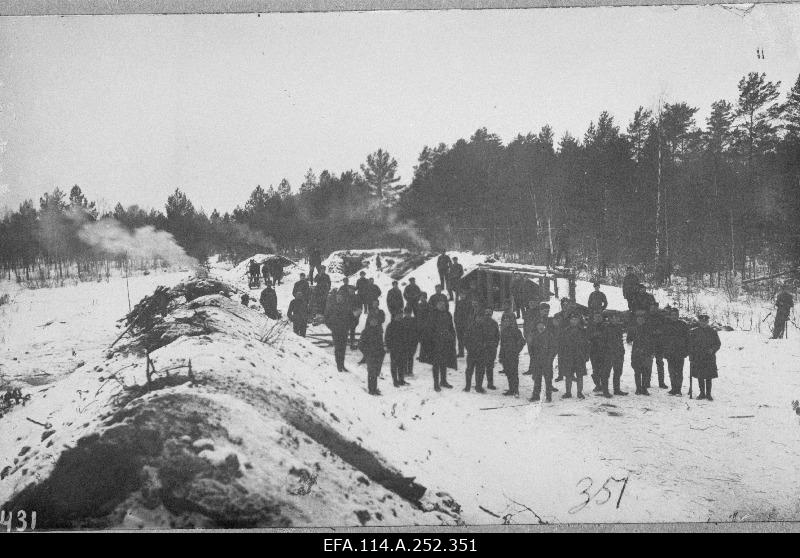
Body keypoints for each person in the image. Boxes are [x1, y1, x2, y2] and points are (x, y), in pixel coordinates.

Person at [421, 298, 457, 392]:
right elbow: (429, 329)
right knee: (436, 364)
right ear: (436, 305)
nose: (442, 306)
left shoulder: (448, 314)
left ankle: (443, 381)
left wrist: (452, 336)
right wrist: (433, 338)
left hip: (446, 342)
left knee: (444, 362)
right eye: (440, 304)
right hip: (435, 343)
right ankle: (436, 383)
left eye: (443, 304)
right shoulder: (433, 314)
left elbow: (451, 327)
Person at [689, 315, 721, 401]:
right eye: (701, 321)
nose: (703, 323)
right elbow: (690, 345)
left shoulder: (712, 332)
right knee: (700, 376)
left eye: (705, 321)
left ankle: (708, 394)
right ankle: (702, 393)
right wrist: (691, 355)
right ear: (699, 322)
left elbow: (718, 344)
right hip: (698, 356)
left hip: (709, 357)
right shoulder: (694, 332)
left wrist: (712, 350)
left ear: (707, 322)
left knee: (709, 376)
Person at [558, 313, 589, 399]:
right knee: (568, 376)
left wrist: (586, 356)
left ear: (578, 320)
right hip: (568, 357)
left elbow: (586, 344)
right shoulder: (565, 331)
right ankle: (568, 392)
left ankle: (579, 392)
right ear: (569, 320)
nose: (574, 321)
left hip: (579, 357)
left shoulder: (583, 331)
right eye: (572, 319)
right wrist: (562, 356)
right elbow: (562, 345)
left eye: (576, 319)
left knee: (580, 376)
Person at [661, 307, 689, 396]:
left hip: (680, 352)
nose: (674, 317)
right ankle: (673, 388)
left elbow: (687, 339)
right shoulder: (666, 325)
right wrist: (664, 351)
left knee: (679, 371)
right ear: (670, 316)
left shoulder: (683, 325)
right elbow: (663, 339)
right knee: (671, 371)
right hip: (670, 352)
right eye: (672, 315)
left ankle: (678, 390)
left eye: (676, 315)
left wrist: (686, 351)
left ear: (678, 315)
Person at [528, 320, 558, 402]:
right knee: (537, 379)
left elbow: (554, 348)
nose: (540, 327)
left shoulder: (549, 335)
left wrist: (550, 358)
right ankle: (536, 395)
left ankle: (548, 396)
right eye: (539, 325)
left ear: (544, 326)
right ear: (536, 326)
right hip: (537, 361)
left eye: (542, 325)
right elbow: (530, 347)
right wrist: (533, 357)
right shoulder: (534, 335)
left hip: (547, 361)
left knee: (548, 380)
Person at [325, 290, 353, 372]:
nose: (339, 299)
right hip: (336, 331)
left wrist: (348, 327)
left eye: (340, 297)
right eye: (338, 297)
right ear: (336, 298)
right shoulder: (332, 307)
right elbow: (326, 318)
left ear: (343, 298)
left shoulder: (346, 307)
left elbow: (352, 318)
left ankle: (342, 365)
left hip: (344, 330)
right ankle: (339, 366)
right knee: (337, 348)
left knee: (343, 348)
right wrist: (331, 327)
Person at [472, 307, 500, 392]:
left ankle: (490, 384)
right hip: (482, 349)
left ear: (492, 313)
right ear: (484, 313)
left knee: (490, 367)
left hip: (491, 349)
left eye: (489, 312)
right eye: (486, 312)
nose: (488, 314)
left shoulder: (494, 323)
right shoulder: (480, 323)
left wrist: (495, 345)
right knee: (480, 368)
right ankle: (478, 386)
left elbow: (497, 336)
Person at [358, 313, 386, 396]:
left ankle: (375, 388)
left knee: (376, 372)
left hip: (378, 354)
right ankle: (371, 389)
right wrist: (367, 353)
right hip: (370, 355)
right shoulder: (365, 331)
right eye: (373, 321)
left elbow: (380, 343)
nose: (374, 322)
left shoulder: (379, 331)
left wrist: (382, 352)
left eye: (376, 321)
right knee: (371, 372)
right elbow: (360, 345)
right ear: (369, 321)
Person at [601, 312, 627, 396]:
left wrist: (622, 351)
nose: (616, 319)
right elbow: (603, 342)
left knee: (618, 372)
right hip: (608, 353)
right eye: (614, 318)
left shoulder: (619, 328)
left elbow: (620, 341)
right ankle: (605, 391)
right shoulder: (606, 328)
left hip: (618, 353)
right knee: (606, 373)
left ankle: (617, 389)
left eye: (617, 318)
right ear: (610, 319)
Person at [499, 313, 526, 396]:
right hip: (505, 355)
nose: (506, 322)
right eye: (505, 321)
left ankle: (515, 390)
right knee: (508, 372)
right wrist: (501, 355)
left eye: (508, 320)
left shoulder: (516, 331)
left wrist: (516, 350)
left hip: (513, 355)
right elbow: (502, 344)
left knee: (514, 373)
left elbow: (522, 341)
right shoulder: (503, 331)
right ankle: (511, 389)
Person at [629, 310, 654, 395]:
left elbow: (652, 341)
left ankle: (644, 388)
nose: (640, 320)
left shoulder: (648, 328)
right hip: (636, 352)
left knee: (646, 371)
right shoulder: (633, 328)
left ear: (644, 320)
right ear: (636, 320)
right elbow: (629, 339)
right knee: (637, 371)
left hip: (646, 352)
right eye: (639, 319)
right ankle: (638, 388)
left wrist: (651, 352)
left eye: (642, 319)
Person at [385, 312, 409, 387]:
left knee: (402, 365)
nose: (400, 316)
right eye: (399, 315)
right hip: (394, 348)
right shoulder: (391, 325)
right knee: (394, 365)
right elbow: (387, 337)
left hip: (402, 348)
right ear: (395, 316)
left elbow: (406, 336)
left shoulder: (403, 324)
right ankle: (395, 381)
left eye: (401, 315)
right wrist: (388, 347)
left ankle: (401, 380)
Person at [646, 301, 668, 389]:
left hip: (659, 343)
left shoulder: (661, 317)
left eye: (655, 307)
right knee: (648, 363)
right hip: (650, 343)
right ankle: (647, 382)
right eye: (652, 307)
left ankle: (661, 382)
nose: (653, 309)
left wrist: (660, 331)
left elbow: (665, 328)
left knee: (660, 363)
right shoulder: (646, 317)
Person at [587, 311, 606, 393]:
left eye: (599, 316)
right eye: (596, 316)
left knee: (604, 369)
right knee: (595, 369)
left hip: (603, 350)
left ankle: (604, 385)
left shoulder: (605, 326)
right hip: (593, 350)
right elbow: (587, 337)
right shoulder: (590, 327)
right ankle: (597, 385)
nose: (598, 318)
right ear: (594, 318)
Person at [340, 277, 361, 349]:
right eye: (350, 290)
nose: (351, 291)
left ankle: (352, 344)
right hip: (346, 316)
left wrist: (357, 315)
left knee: (352, 331)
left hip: (353, 317)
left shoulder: (357, 298)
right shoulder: (346, 298)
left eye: (352, 290)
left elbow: (360, 308)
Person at [400, 306, 419, 377]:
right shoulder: (402, 321)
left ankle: (410, 371)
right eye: (407, 313)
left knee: (410, 357)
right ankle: (405, 371)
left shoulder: (414, 320)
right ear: (404, 313)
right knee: (404, 357)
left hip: (413, 341)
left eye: (409, 313)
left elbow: (417, 330)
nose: (408, 314)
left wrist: (416, 340)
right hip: (404, 341)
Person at [453, 291, 473, 358]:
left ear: (465, 295)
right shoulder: (458, 303)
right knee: (460, 339)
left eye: (463, 294)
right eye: (461, 294)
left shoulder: (469, 303)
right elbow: (455, 312)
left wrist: (468, 323)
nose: (462, 296)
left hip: (466, 324)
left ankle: (470, 352)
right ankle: (461, 353)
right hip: (459, 324)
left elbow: (471, 314)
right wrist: (455, 321)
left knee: (467, 339)